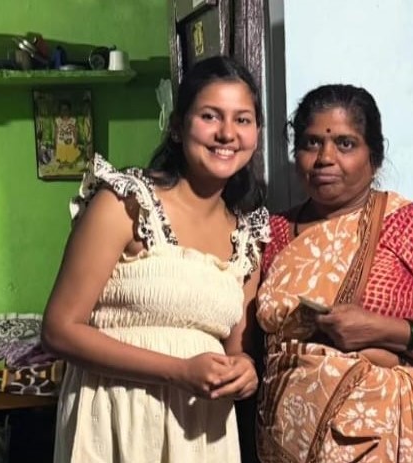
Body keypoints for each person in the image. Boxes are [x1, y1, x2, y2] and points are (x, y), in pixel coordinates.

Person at [42, 56, 270, 463]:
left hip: (200, 431)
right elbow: (60, 330)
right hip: (116, 417)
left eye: (243, 120)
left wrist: (245, 371)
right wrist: (178, 370)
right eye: (210, 116)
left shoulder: (249, 236)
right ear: (179, 127)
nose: (227, 134)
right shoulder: (124, 202)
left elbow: (236, 349)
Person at [255, 84, 413, 462]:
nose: (325, 158)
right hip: (286, 440)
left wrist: (382, 330)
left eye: (345, 144)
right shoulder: (275, 233)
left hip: (383, 438)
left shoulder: (412, 226)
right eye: (311, 143)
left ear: (374, 157)